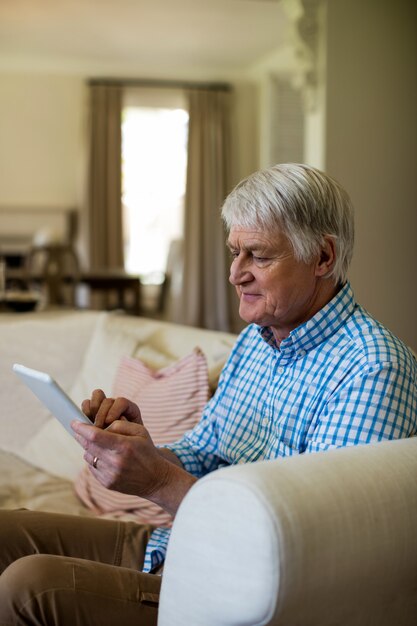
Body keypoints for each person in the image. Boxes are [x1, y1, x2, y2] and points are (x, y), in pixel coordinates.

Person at [0, 163, 415, 624]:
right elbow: (203, 454)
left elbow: (318, 555)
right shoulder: (255, 342)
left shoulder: (372, 370)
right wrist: (146, 452)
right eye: (235, 252)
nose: (236, 274)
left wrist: (157, 482)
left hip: (238, 594)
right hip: (176, 547)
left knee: (29, 589)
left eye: (258, 256)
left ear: (322, 257)